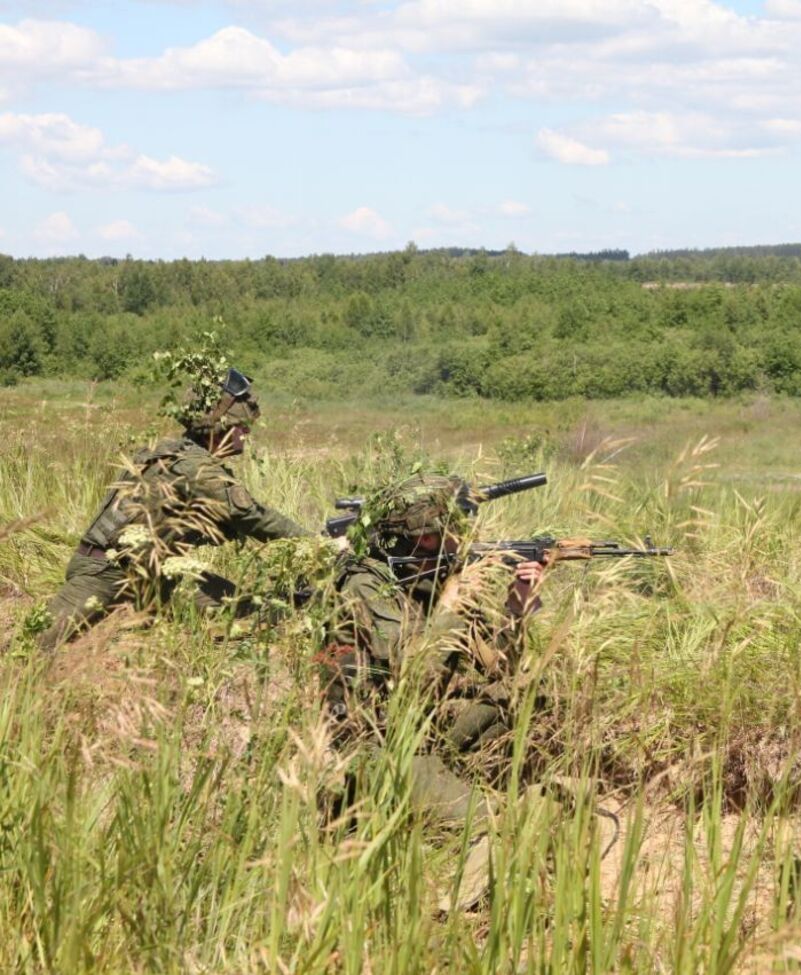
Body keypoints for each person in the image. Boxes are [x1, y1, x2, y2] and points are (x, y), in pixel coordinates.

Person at [317, 471, 553, 907]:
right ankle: (456, 910)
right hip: (375, 748)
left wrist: (517, 604)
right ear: (411, 536)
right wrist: (448, 608)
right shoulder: (366, 584)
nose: (452, 543)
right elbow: (413, 679)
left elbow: (492, 669)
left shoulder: (425, 576)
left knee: (518, 696)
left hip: (418, 730)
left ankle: (460, 792)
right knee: (496, 825)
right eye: (438, 536)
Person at [36, 366, 308, 651]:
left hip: (158, 575)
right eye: (242, 429)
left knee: (243, 611)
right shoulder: (192, 465)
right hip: (106, 571)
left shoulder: (174, 452)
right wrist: (315, 543)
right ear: (218, 424)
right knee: (32, 648)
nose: (245, 436)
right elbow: (249, 515)